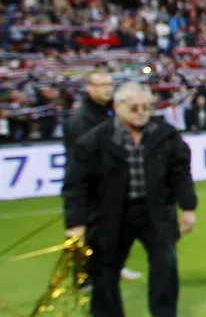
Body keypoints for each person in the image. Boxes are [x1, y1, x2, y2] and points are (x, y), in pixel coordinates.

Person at [63, 82, 197, 317]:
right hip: (110, 214)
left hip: (156, 211)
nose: (141, 112)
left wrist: (187, 207)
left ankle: (164, 313)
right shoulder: (94, 141)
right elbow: (76, 185)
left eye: (146, 107)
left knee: (165, 265)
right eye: (134, 108)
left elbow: (180, 173)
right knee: (105, 272)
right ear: (117, 107)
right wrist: (76, 222)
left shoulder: (165, 134)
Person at [62, 71, 143, 283]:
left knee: (117, 230)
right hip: (94, 186)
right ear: (89, 88)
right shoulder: (81, 119)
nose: (108, 89)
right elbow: (82, 158)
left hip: (113, 184)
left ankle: (115, 267)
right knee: (91, 232)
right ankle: (84, 278)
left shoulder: (108, 113)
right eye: (102, 85)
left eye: (109, 85)